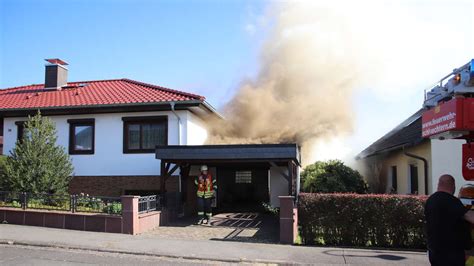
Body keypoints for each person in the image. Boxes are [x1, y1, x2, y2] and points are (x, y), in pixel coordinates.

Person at [425, 174, 474, 266]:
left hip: (434, 251)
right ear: (453, 186)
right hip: (451, 254)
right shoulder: (451, 200)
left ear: (439, 184)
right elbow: (469, 216)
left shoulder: (431, 200)